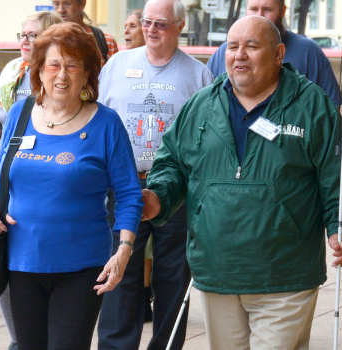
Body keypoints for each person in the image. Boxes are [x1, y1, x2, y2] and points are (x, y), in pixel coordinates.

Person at [141, 16, 342, 350]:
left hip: (285, 272)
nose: (240, 54)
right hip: (218, 269)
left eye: (252, 46)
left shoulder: (311, 105)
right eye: (233, 46)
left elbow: (339, 174)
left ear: (278, 54)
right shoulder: (201, 105)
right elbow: (172, 161)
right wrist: (158, 196)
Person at [0, 22, 143, 350]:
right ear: (39, 71)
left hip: (81, 267)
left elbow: (128, 194)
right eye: (54, 65)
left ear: (87, 75)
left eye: (73, 66)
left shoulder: (106, 123)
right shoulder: (19, 113)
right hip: (20, 262)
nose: (62, 75)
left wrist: (124, 249)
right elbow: (0, 176)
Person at [94, 1, 213, 349]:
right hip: (125, 185)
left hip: (176, 190)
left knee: (173, 275)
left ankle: (166, 345)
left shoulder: (198, 75)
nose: (151, 30)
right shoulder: (117, 65)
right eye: (147, 22)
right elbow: (98, 118)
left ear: (179, 27)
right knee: (120, 271)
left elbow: (205, 139)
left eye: (161, 24)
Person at [0, 10, 63, 350]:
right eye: (22, 35)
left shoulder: (60, 78)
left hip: (44, 185)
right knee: (2, 255)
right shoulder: (12, 72)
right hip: (8, 182)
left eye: (32, 35)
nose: (24, 41)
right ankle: (18, 339)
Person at [205, 0, 342, 107]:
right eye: (253, 9)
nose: (259, 16)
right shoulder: (224, 53)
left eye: (267, 10)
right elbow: (207, 104)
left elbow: (330, 113)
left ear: (282, 11)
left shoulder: (309, 52)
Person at [53, 0, 119, 63]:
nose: (60, 10)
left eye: (67, 3)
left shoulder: (106, 40)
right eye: (56, 4)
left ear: (82, 4)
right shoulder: (50, 39)